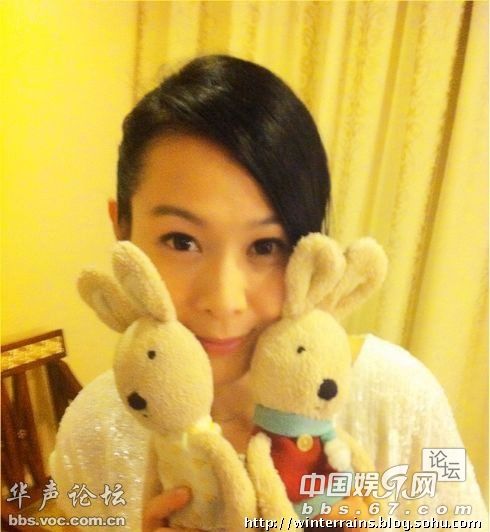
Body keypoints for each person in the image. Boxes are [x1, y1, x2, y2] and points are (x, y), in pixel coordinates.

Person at [50, 55, 487, 531]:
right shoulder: (95, 426)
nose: (224, 301)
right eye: (181, 241)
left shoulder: (397, 398)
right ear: (123, 230)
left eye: (265, 246)